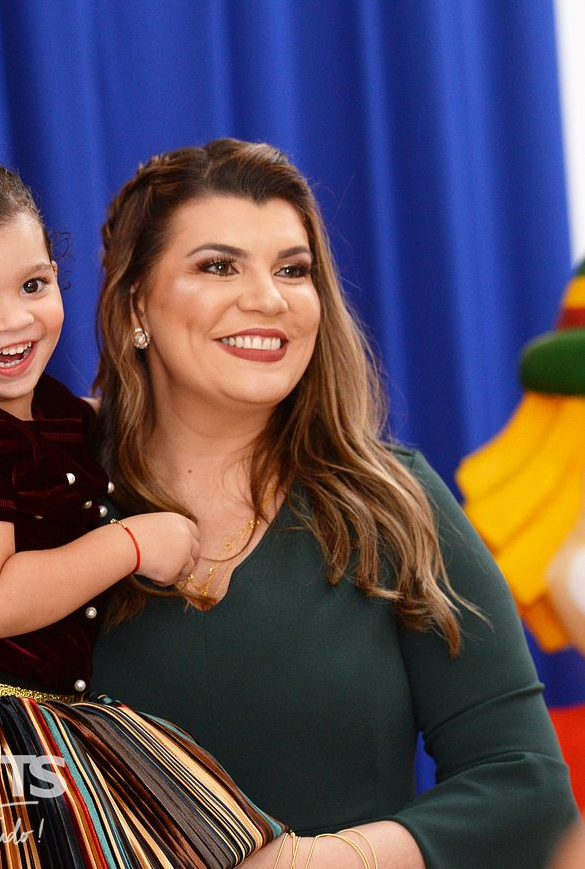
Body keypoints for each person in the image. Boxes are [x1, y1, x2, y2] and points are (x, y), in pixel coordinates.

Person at [89, 138, 579, 868]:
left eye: (294, 270)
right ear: (135, 303)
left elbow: (526, 787)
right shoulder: (40, 501)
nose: (269, 298)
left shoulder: (392, 503)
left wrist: (316, 862)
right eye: (218, 266)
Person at [0, 158, 285, 868]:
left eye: (33, 285)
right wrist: (132, 543)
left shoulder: (51, 410)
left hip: (36, 713)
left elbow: (116, 430)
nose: (14, 320)